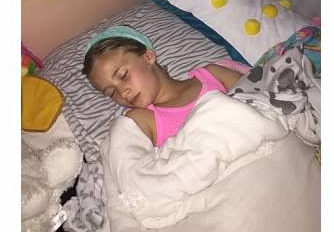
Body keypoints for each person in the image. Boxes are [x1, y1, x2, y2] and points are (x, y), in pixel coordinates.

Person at [82, 25, 245, 147]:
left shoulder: (213, 75)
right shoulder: (142, 120)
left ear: (148, 57)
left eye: (123, 75)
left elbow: (256, 95)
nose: (123, 93)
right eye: (111, 93)